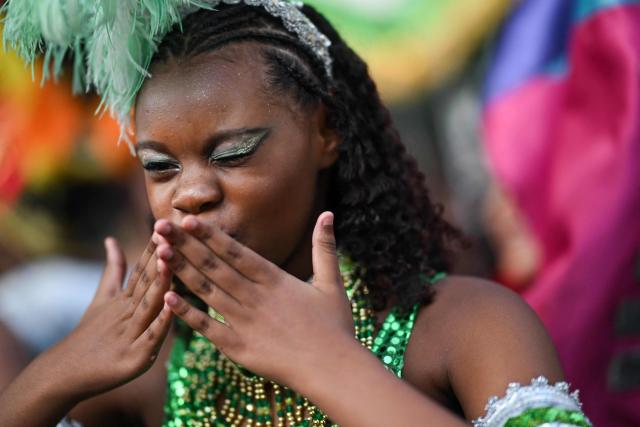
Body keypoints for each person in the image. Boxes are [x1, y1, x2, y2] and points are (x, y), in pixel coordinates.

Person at [0, 1, 592, 426]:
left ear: (326, 131)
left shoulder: (466, 328)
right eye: (160, 167)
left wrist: (328, 364)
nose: (190, 193)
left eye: (232, 153)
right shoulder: (155, 376)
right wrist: (55, 374)